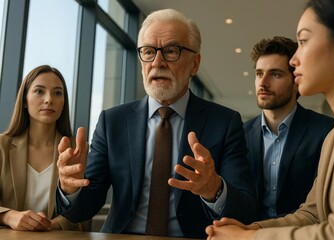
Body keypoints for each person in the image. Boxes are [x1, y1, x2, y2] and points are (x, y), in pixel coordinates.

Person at [56, 8, 258, 239]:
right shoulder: (112, 122)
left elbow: (246, 211)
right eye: (149, 52)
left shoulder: (225, 122)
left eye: (171, 51)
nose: (158, 62)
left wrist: (214, 189)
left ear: (195, 63)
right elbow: (83, 209)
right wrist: (69, 188)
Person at [206, 0, 334, 239]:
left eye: (304, 41)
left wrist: (247, 238)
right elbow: (312, 214)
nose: (295, 59)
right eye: (259, 74)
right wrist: (253, 228)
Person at [244, 36, 334, 220]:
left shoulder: (326, 131)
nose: (263, 82)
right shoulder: (240, 134)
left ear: (296, 82)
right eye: (259, 73)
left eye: (275, 74)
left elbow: (323, 206)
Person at [0, 65, 87, 231]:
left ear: (63, 104)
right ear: (24, 100)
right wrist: (9, 216)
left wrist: (55, 224)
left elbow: (85, 210)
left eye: (57, 93)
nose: (49, 99)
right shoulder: (1, 146)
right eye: (39, 91)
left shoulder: (78, 150)